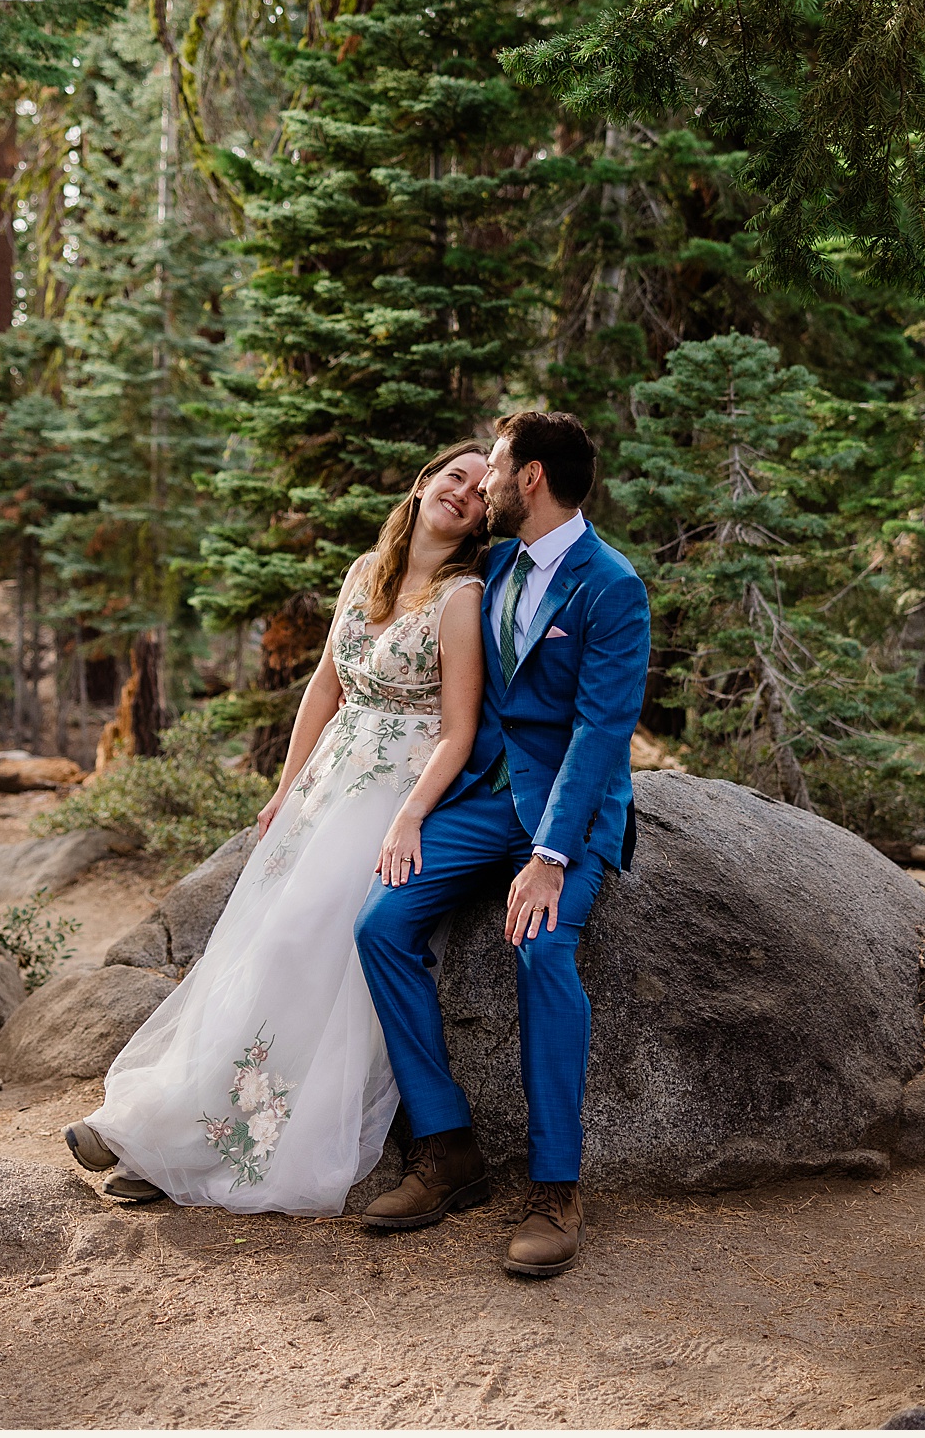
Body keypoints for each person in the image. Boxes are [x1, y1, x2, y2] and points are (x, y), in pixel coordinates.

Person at [61, 441, 492, 1214]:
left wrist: (409, 817)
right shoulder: (367, 570)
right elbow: (324, 685)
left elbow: (459, 731)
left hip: (387, 795)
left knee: (303, 951)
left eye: (482, 491)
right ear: (426, 482)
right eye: (455, 476)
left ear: (483, 518)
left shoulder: (462, 598)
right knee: (251, 951)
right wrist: (284, 790)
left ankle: (215, 1144)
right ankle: (163, 1134)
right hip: (325, 789)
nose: (464, 492)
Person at [353, 410, 650, 1277]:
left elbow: (601, 731)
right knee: (381, 925)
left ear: (531, 480)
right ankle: (447, 1147)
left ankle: (556, 1187)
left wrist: (551, 858)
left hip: (569, 810)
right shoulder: (498, 563)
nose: (479, 484)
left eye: (494, 470)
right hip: (484, 796)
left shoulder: (611, 584)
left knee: (540, 944)